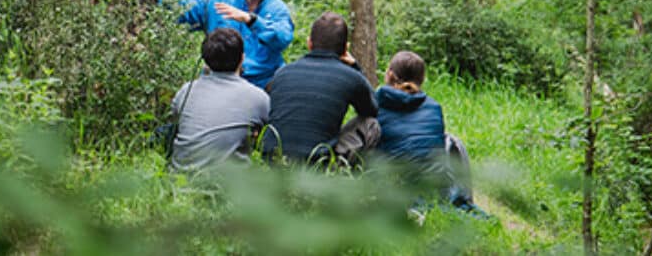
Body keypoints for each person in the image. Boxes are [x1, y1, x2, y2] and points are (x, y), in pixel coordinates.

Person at [160, 0, 293, 89]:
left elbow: (283, 38)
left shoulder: (277, 9)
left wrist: (251, 20)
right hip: (220, 82)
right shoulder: (216, 3)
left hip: (263, 83)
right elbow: (178, 15)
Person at [263, 12, 379, 165]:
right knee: (371, 125)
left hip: (274, 161)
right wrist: (355, 67)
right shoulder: (350, 76)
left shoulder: (282, 73)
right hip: (317, 164)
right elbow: (372, 110)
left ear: (309, 43)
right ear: (345, 49)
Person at [374, 51, 480, 213]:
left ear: (389, 74)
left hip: (395, 187)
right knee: (453, 141)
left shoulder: (377, 102)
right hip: (434, 191)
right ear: (422, 80)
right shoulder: (434, 107)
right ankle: (464, 199)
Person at [169, 28, 271, 172]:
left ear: (205, 60)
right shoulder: (258, 97)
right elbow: (271, 135)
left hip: (179, 180)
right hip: (226, 186)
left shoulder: (186, 90)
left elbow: (175, 121)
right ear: (242, 58)